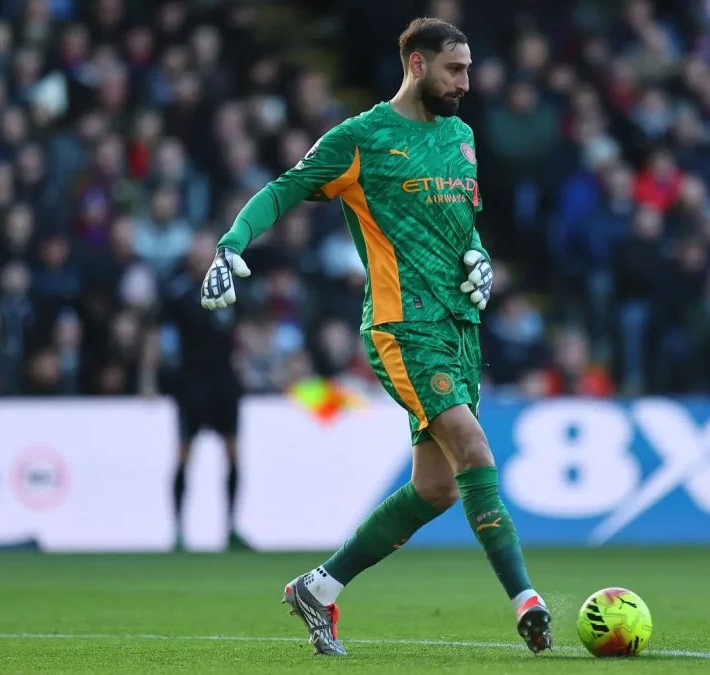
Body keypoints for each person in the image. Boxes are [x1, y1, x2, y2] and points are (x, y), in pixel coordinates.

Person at [199, 18, 551, 656]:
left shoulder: (462, 138)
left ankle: (320, 587)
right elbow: (285, 188)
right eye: (455, 69)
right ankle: (527, 600)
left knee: (437, 487)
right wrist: (231, 244)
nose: (466, 83)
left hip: (459, 330)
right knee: (473, 449)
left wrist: (479, 258)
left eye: (469, 69)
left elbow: (460, 224)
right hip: (401, 326)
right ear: (417, 65)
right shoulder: (361, 138)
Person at [150, 232, 250, 552]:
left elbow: (240, 333)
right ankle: (178, 530)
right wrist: (148, 379)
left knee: (233, 452)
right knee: (183, 453)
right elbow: (156, 335)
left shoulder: (231, 286)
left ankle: (231, 528)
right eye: (196, 254)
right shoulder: (177, 293)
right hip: (191, 383)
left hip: (224, 381)